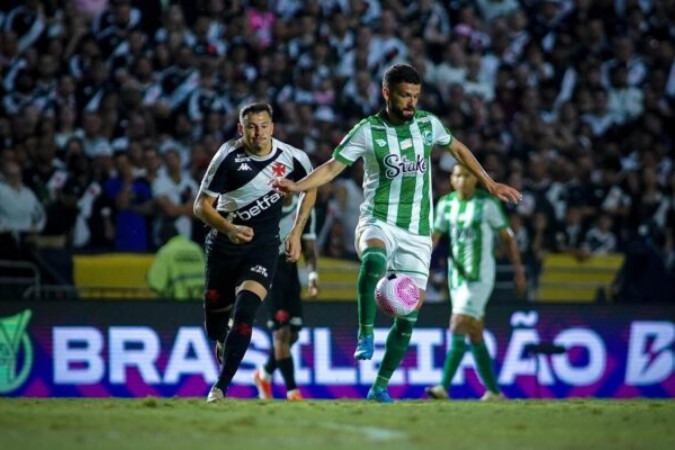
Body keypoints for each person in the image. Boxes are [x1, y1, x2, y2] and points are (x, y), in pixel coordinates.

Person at [273, 64, 522, 403]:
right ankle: (365, 332)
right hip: (378, 220)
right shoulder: (367, 131)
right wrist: (298, 185)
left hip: (417, 232)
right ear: (387, 93)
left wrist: (490, 183)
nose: (412, 103)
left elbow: (459, 149)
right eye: (406, 95)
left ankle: (380, 386)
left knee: (408, 318)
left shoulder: (427, 124)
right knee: (373, 257)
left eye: (416, 96)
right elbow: (332, 167)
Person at [193, 102, 316, 403]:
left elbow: (311, 187)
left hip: (263, 248)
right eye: (251, 126)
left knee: (246, 313)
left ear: (272, 127)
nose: (258, 132)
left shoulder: (293, 158)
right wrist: (229, 229)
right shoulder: (227, 156)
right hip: (224, 246)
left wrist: (297, 232)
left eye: (264, 125)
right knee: (215, 322)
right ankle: (223, 340)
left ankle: (220, 387)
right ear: (241, 129)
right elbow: (200, 206)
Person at [425, 164, 527, 401]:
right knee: (475, 333)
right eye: (457, 175)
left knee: (458, 322)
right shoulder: (445, 204)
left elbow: (507, 239)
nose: (462, 180)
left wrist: (518, 272)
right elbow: (435, 238)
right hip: (456, 277)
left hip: (480, 276)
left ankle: (443, 386)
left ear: (475, 179)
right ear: (451, 179)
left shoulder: (487, 205)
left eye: (467, 176)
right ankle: (493, 391)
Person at [252, 194, 319, 401]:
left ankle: (263, 374)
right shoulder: (265, 208)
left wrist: (313, 276)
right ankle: (292, 391)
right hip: (270, 272)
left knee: (293, 335)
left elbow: (308, 246)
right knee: (281, 333)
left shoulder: (306, 209)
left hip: (290, 273)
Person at [146, 221, 206, 300]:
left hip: (179, 306)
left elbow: (156, 283)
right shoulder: (196, 248)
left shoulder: (166, 251)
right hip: (201, 304)